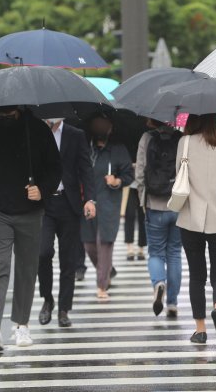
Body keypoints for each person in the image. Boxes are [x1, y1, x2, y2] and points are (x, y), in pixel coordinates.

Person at [0, 106, 61, 350]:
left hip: (30, 211)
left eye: (7, 112)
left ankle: (22, 324)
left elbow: (55, 167)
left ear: (19, 107)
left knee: (26, 268)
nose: (2, 115)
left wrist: (42, 189)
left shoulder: (37, 129)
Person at [176, 113, 216, 347]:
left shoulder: (185, 142)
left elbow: (179, 176)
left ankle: (200, 329)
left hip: (191, 217)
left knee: (196, 275)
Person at [37, 118, 96, 328]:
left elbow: (85, 169)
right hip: (43, 203)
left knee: (68, 259)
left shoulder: (75, 134)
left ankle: (64, 308)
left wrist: (89, 199)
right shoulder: (36, 132)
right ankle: (47, 300)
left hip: (69, 203)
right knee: (43, 253)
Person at [82, 114, 134, 300]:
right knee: (88, 244)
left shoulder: (118, 150)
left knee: (104, 244)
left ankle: (101, 285)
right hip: (88, 202)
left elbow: (129, 175)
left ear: (111, 129)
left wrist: (117, 181)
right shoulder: (86, 149)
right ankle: (107, 270)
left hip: (109, 204)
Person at [136, 118, 183, 317]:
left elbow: (140, 173)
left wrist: (143, 200)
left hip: (154, 204)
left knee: (156, 253)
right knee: (174, 253)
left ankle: (159, 282)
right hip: (178, 205)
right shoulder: (182, 139)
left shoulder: (146, 138)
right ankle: (172, 302)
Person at [125, 177, 147, 261]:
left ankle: (141, 248)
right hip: (129, 185)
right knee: (129, 215)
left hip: (144, 184)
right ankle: (130, 247)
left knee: (143, 216)